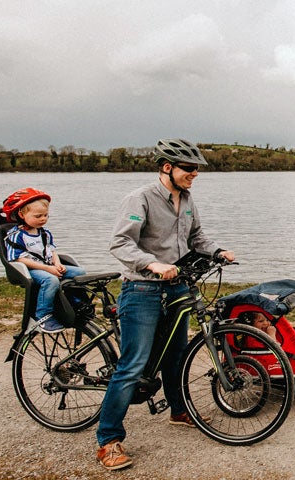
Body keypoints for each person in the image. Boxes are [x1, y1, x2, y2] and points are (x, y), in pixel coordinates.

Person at [96, 138, 235, 471]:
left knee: (176, 356)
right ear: (167, 167)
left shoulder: (186, 199)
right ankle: (108, 440)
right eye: (189, 168)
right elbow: (120, 242)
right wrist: (151, 263)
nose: (194, 174)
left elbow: (196, 236)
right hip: (142, 290)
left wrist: (217, 251)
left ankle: (178, 410)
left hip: (176, 289)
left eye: (196, 169)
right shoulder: (140, 198)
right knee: (132, 365)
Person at [2, 187, 86, 333]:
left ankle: (74, 302)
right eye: (38, 216)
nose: (43, 219)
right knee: (51, 280)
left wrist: (58, 264)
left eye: (46, 215)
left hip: (49, 266)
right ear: (22, 214)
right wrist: (48, 269)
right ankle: (43, 316)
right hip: (30, 270)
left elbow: (52, 250)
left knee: (80, 273)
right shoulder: (16, 235)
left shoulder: (45, 233)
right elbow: (18, 259)